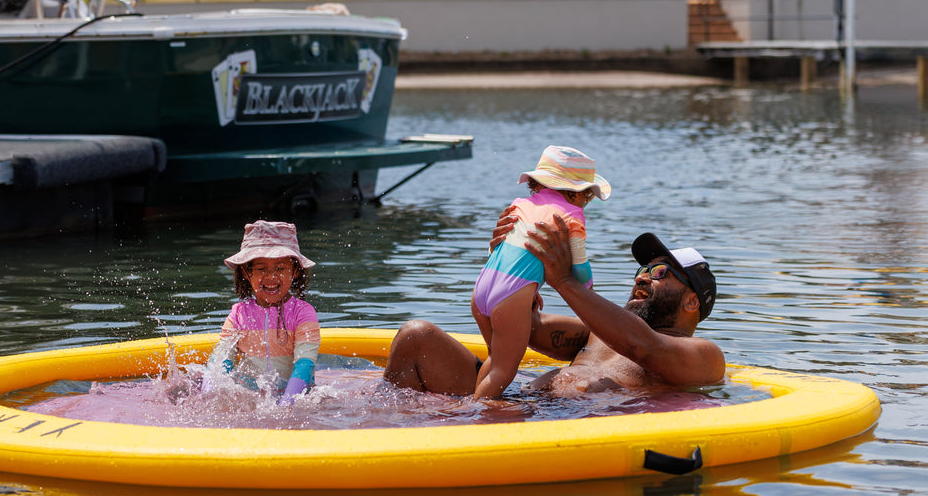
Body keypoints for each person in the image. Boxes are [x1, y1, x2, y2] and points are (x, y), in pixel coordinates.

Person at [384, 217, 723, 398]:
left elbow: (643, 347)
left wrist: (564, 281)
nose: (644, 278)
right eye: (642, 271)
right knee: (417, 336)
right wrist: (509, 260)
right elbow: (523, 329)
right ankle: (389, 433)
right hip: (522, 402)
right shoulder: (596, 333)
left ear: (692, 300)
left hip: (564, 428)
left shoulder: (704, 354)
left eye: (660, 273)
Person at [472, 145, 611, 399]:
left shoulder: (520, 204)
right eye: (588, 197)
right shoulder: (571, 215)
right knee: (504, 371)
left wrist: (528, 290)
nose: (587, 202)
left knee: (496, 359)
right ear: (576, 194)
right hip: (509, 298)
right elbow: (579, 272)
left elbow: (507, 253)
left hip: (482, 288)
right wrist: (588, 291)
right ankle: (471, 415)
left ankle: (473, 400)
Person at [218, 220, 320, 405]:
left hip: (296, 398)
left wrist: (286, 405)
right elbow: (221, 361)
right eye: (261, 269)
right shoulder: (238, 314)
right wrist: (210, 396)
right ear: (246, 273)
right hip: (251, 399)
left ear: (295, 270)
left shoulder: (303, 313)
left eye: (280, 268)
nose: (271, 277)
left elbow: (304, 364)